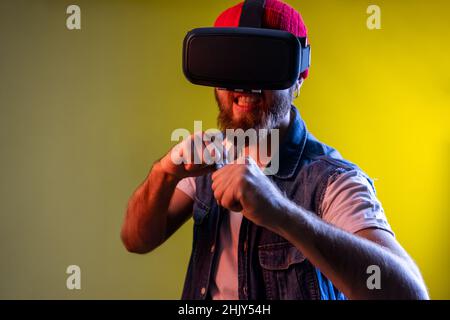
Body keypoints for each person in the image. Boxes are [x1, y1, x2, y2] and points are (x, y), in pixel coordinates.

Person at [120, 0, 428, 300]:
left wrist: (279, 212)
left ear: (298, 80)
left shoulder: (332, 181)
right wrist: (164, 173)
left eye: (263, 65)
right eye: (229, 67)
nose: (243, 87)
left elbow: (411, 294)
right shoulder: (207, 158)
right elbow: (136, 239)